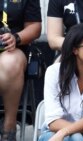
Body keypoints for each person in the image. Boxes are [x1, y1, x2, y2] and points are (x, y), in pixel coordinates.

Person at [0, 0, 41, 140]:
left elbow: (35, 27)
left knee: (10, 61)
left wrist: (16, 38)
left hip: (14, 49)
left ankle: (9, 126)